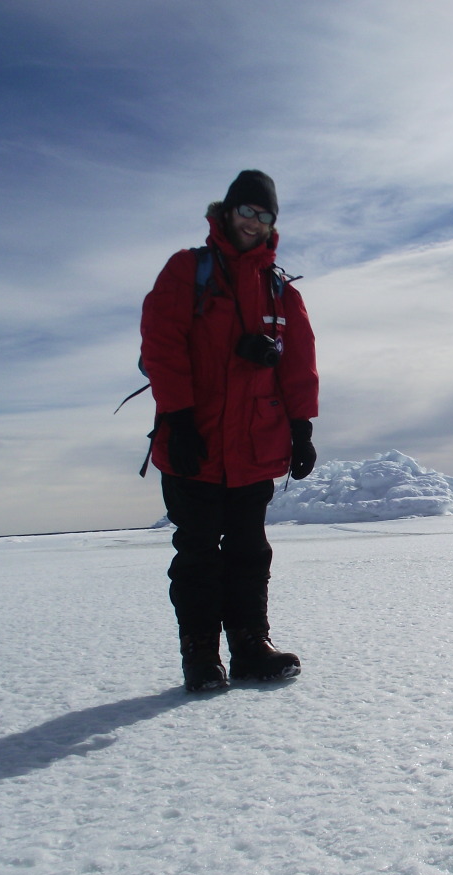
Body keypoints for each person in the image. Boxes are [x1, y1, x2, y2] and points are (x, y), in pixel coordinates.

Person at [140, 170, 319, 692]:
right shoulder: (186, 270)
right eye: (247, 212)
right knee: (197, 553)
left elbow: (299, 363)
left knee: (248, 549)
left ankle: (249, 647)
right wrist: (177, 417)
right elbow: (162, 345)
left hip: (254, 445)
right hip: (192, 442)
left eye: (265, 217)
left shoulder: (279, 289)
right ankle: (200, 656)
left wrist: (301, 427)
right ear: (227, 212)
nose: (254, 223)